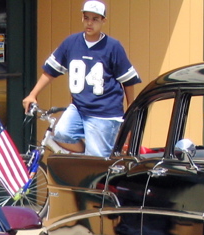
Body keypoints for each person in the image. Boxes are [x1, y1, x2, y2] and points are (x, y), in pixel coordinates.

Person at [22, 1, 141, 157]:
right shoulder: (71, 42)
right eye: (86, 18)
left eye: (95, 19)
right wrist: (33, 94)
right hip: (78, 108)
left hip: (104, 113)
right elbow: (51, 71)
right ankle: (87, 157)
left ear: (103, 21)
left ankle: (94, 164)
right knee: (61, 133)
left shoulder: (113, 47)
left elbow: (128, 81)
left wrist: (130, 112)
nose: (89, 23)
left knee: (97, 163)